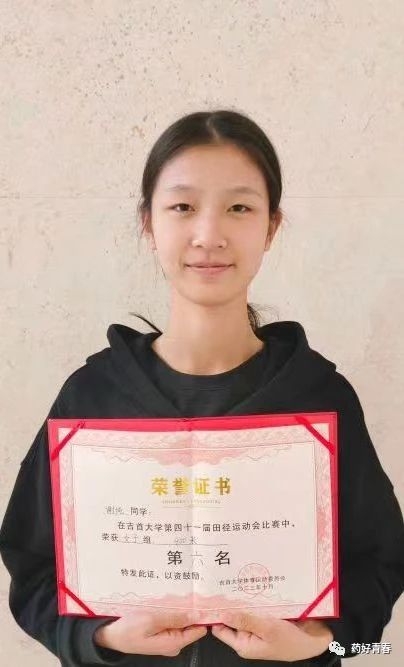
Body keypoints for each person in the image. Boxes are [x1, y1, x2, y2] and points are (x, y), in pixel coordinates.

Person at [1, 109, 404, 667]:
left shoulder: (321, 397)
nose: (209, 235)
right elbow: (32, 574)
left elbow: (381, 575)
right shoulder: (90, 398)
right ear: (149, 223)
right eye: (182, 207)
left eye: (239, 207)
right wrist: (100, 639)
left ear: (271, 227)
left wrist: (321, 644)